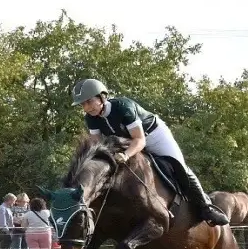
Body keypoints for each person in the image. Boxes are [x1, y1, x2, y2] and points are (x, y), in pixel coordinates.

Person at [71, 78, 229, 226]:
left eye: (89, 101)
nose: (87, 108)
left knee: (179, 165)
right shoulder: (91, 118)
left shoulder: (122, 107)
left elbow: (139, 140)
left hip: (153, 135)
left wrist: (125, 155)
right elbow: (99, 145)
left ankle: (206, 208)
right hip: (125, 142)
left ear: (102, 97)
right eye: (83, 105)